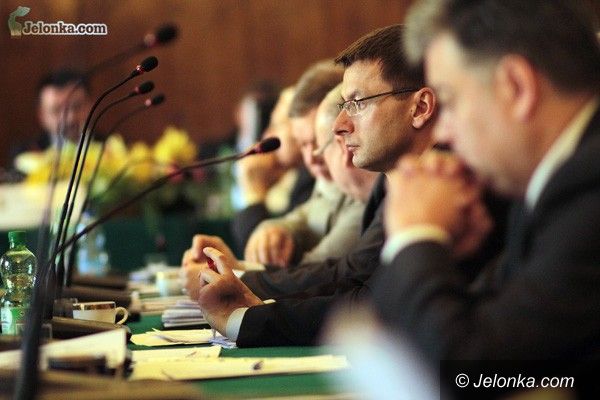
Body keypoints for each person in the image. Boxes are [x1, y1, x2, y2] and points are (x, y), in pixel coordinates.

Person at [371, 0, 600, 395]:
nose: (442, 133)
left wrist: (416, 236)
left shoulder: (587, 187)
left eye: (449, 101)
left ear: (517, 87)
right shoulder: (548, 184)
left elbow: (470, 376)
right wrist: (446, 255)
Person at [182, 25, 441, 346]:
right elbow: (356, 280)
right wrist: (251, 300)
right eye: (344, 105)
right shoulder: (394, 185)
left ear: (420, 107)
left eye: (358, 103)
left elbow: (378, 304)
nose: (340, 125)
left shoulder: (450, 189)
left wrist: (247, 315)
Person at [245, 84, 377, 267]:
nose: (312, 157)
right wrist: (272, 230)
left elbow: (320, 272)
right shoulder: (323, 181)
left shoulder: (364, 191)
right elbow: (303, 217)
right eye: (302, 145)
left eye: (317, 142)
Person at [231, 86, 314, 254]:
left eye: (276, 125)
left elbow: (265, 253)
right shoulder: (299, 175)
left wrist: (254, 192)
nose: (267, 134)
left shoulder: (312, 178)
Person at [10, 69, 92, 165]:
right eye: (57, 110)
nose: (70, 118)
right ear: (41, 115)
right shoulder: (25, 153)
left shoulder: (106, 146)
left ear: (91, 105)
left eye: (77, 106)